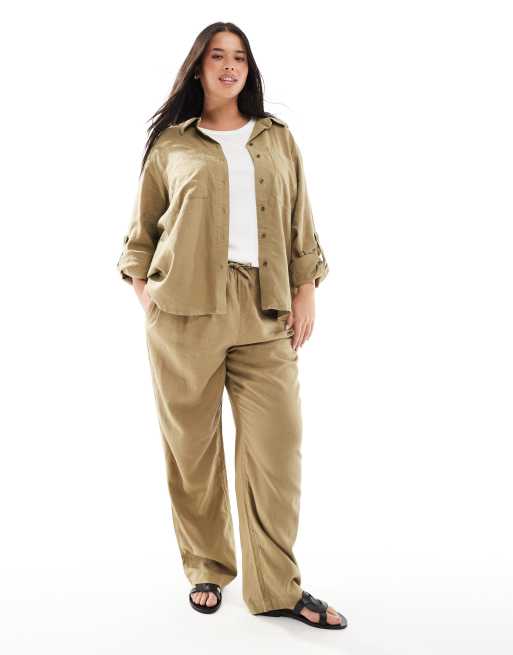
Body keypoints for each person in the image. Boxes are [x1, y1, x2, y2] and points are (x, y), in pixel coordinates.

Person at [116, 21, 347, 631]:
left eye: (239, 57)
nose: (229, 66)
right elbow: (140, 237)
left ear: (249, 68)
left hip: (265, 310)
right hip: (184, 313)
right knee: (192, 451)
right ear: (198, 67)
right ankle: (207, 567)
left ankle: (276, 587)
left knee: (277, 451)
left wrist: (305, 291)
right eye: (217, 56)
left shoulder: (277, 138)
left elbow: (300, 221)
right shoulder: (172, 146)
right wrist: (150, 301)